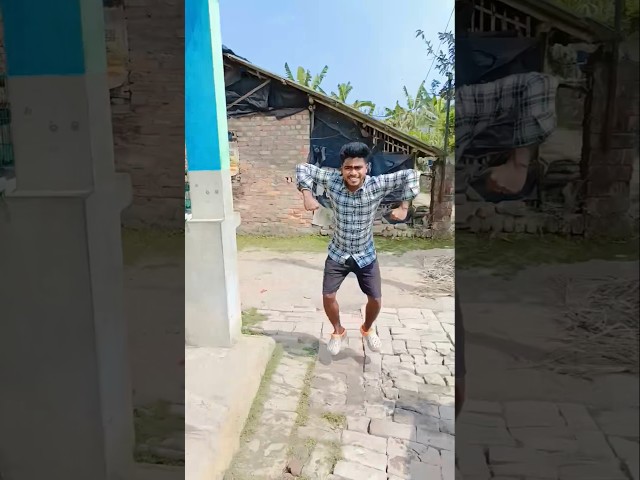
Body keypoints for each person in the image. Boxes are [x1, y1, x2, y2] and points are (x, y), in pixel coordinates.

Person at [295, 142, 419, 356]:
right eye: (348, 168)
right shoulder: (332, 180)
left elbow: (412, 174)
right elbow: (302, 168)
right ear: (341, 169)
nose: (353, 173)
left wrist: (404, 207)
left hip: (366, 254)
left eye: (358, 168)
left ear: (366, 168)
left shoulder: (376, 185)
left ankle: (367, 329)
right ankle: (338, 331)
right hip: (338, 253)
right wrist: (307, 194)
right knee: (328, 296)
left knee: (376, 299)